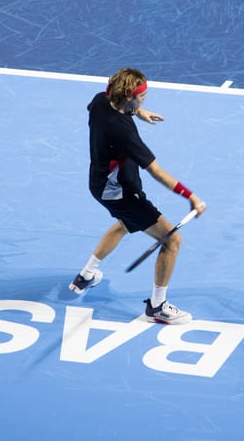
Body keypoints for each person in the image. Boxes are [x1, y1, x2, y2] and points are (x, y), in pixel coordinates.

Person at [69, 68, 206, 325]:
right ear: (129, 96)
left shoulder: (101, 100)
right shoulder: (123, 133)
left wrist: (138, 112)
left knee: (124, 224)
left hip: (99, 184)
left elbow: (112, 109)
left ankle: (86, 275)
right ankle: (157, 307)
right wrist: (191, 197)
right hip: (121, 192)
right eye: (141, 97)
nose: (145, 98)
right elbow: (155, 170)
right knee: (171, 241)